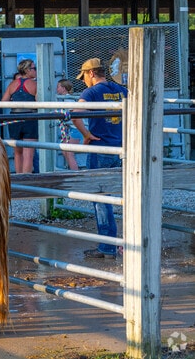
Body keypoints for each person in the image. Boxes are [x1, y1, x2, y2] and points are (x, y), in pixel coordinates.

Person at [71, 58, 128, 259]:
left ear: (92, 73)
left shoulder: (91, 92)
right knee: (127, 196)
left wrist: (86, 135)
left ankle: (107, 246)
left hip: (101, 147)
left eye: (84, 76)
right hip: (122, 149)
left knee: (100, 198)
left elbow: (76, 115)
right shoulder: (121, 90)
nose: (84, 81)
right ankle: (127, 243)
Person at [1, 58, 38, 173]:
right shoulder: (34, 84)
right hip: (30, 119)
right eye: (34, 68)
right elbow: (39, 103)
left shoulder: (13, 84)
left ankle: (18, 178)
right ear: (27, 70)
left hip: (14, 119)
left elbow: (3, 102)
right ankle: (27, 179)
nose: (36, 71)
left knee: (17, 152)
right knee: (28, 153)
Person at [56, 79, 81, 171]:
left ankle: (75, 173)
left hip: (75, 129)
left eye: (58, 86)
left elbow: (72, 114)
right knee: (64, 150)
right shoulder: (63, 99)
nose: (56, 89)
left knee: (69, 152)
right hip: (70, 129)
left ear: (63, 88)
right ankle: (72, 170)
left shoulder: (68, 99)